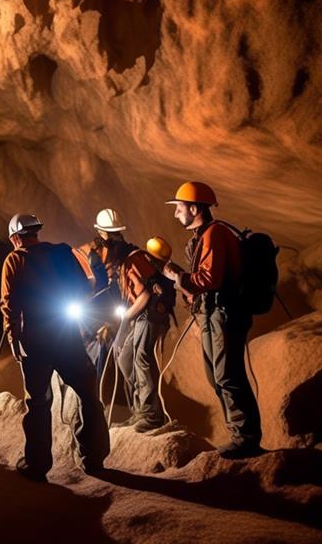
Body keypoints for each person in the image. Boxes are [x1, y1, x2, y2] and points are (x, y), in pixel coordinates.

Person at [0, 213, 109, 481]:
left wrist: (13, 338)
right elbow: (84, 287)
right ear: (36, 233)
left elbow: (8, 303)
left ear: (15, 238)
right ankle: (93, 458)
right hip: (66, 334)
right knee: (87, 392)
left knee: (38, 402)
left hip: (35, 340)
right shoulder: (61, 253)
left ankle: (37, 466)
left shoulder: (15, 259)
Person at [162, 182, 262, 459]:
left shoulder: (215, 234)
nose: (176, 213)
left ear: (194, 208)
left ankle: (247, 437)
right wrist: (183, 278)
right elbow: (205, 279)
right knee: (216, 376)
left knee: (227, 374)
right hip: (211, 314)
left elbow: (210, 279)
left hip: (225, 314)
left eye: (180, 208)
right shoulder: (202, 236)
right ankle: (239, 434)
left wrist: (176, 278)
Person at [112, 236, 175, 432]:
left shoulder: (133, 261)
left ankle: (151, 415)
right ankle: (139, 410)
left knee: (141, 358)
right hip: (145, 316)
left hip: (150, 315)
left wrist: (126, 318)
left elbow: (146, 295)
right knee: (125, 358)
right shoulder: (130, 262)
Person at [78, 209, 137, 378]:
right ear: (99, 231)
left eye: (114, 233)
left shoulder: (124, 251)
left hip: (114, 304)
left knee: (112, 342)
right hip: (95, 304)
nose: (111, 237)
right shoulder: (91, 252)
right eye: (107, 233)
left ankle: (107, 382)